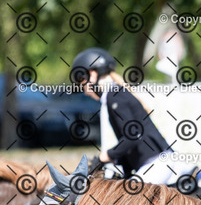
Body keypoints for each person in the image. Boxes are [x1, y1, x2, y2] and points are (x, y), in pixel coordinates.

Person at [70, 48, 186, 183]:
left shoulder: (115, 96)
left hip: (156, 163)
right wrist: (117, 160)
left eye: (83, 84)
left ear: (93, 75)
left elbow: (132, 136)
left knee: (130, 195)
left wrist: (105, 156)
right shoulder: (115, 94)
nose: (85, 92)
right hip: (157, 162)